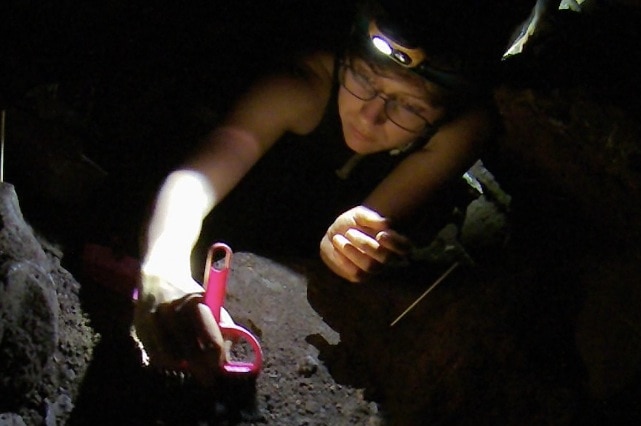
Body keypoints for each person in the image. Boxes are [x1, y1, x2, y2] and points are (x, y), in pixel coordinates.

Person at [132, 0, 533, 385]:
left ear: (446, 110)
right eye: (364, 78)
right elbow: (197, 177)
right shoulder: (304, 84)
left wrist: (348, 243)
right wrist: (163, 268)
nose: (371, 115)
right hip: (241, 222)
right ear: (347, 56)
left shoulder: (464, 127)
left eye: (410, 107)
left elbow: (366, 224)